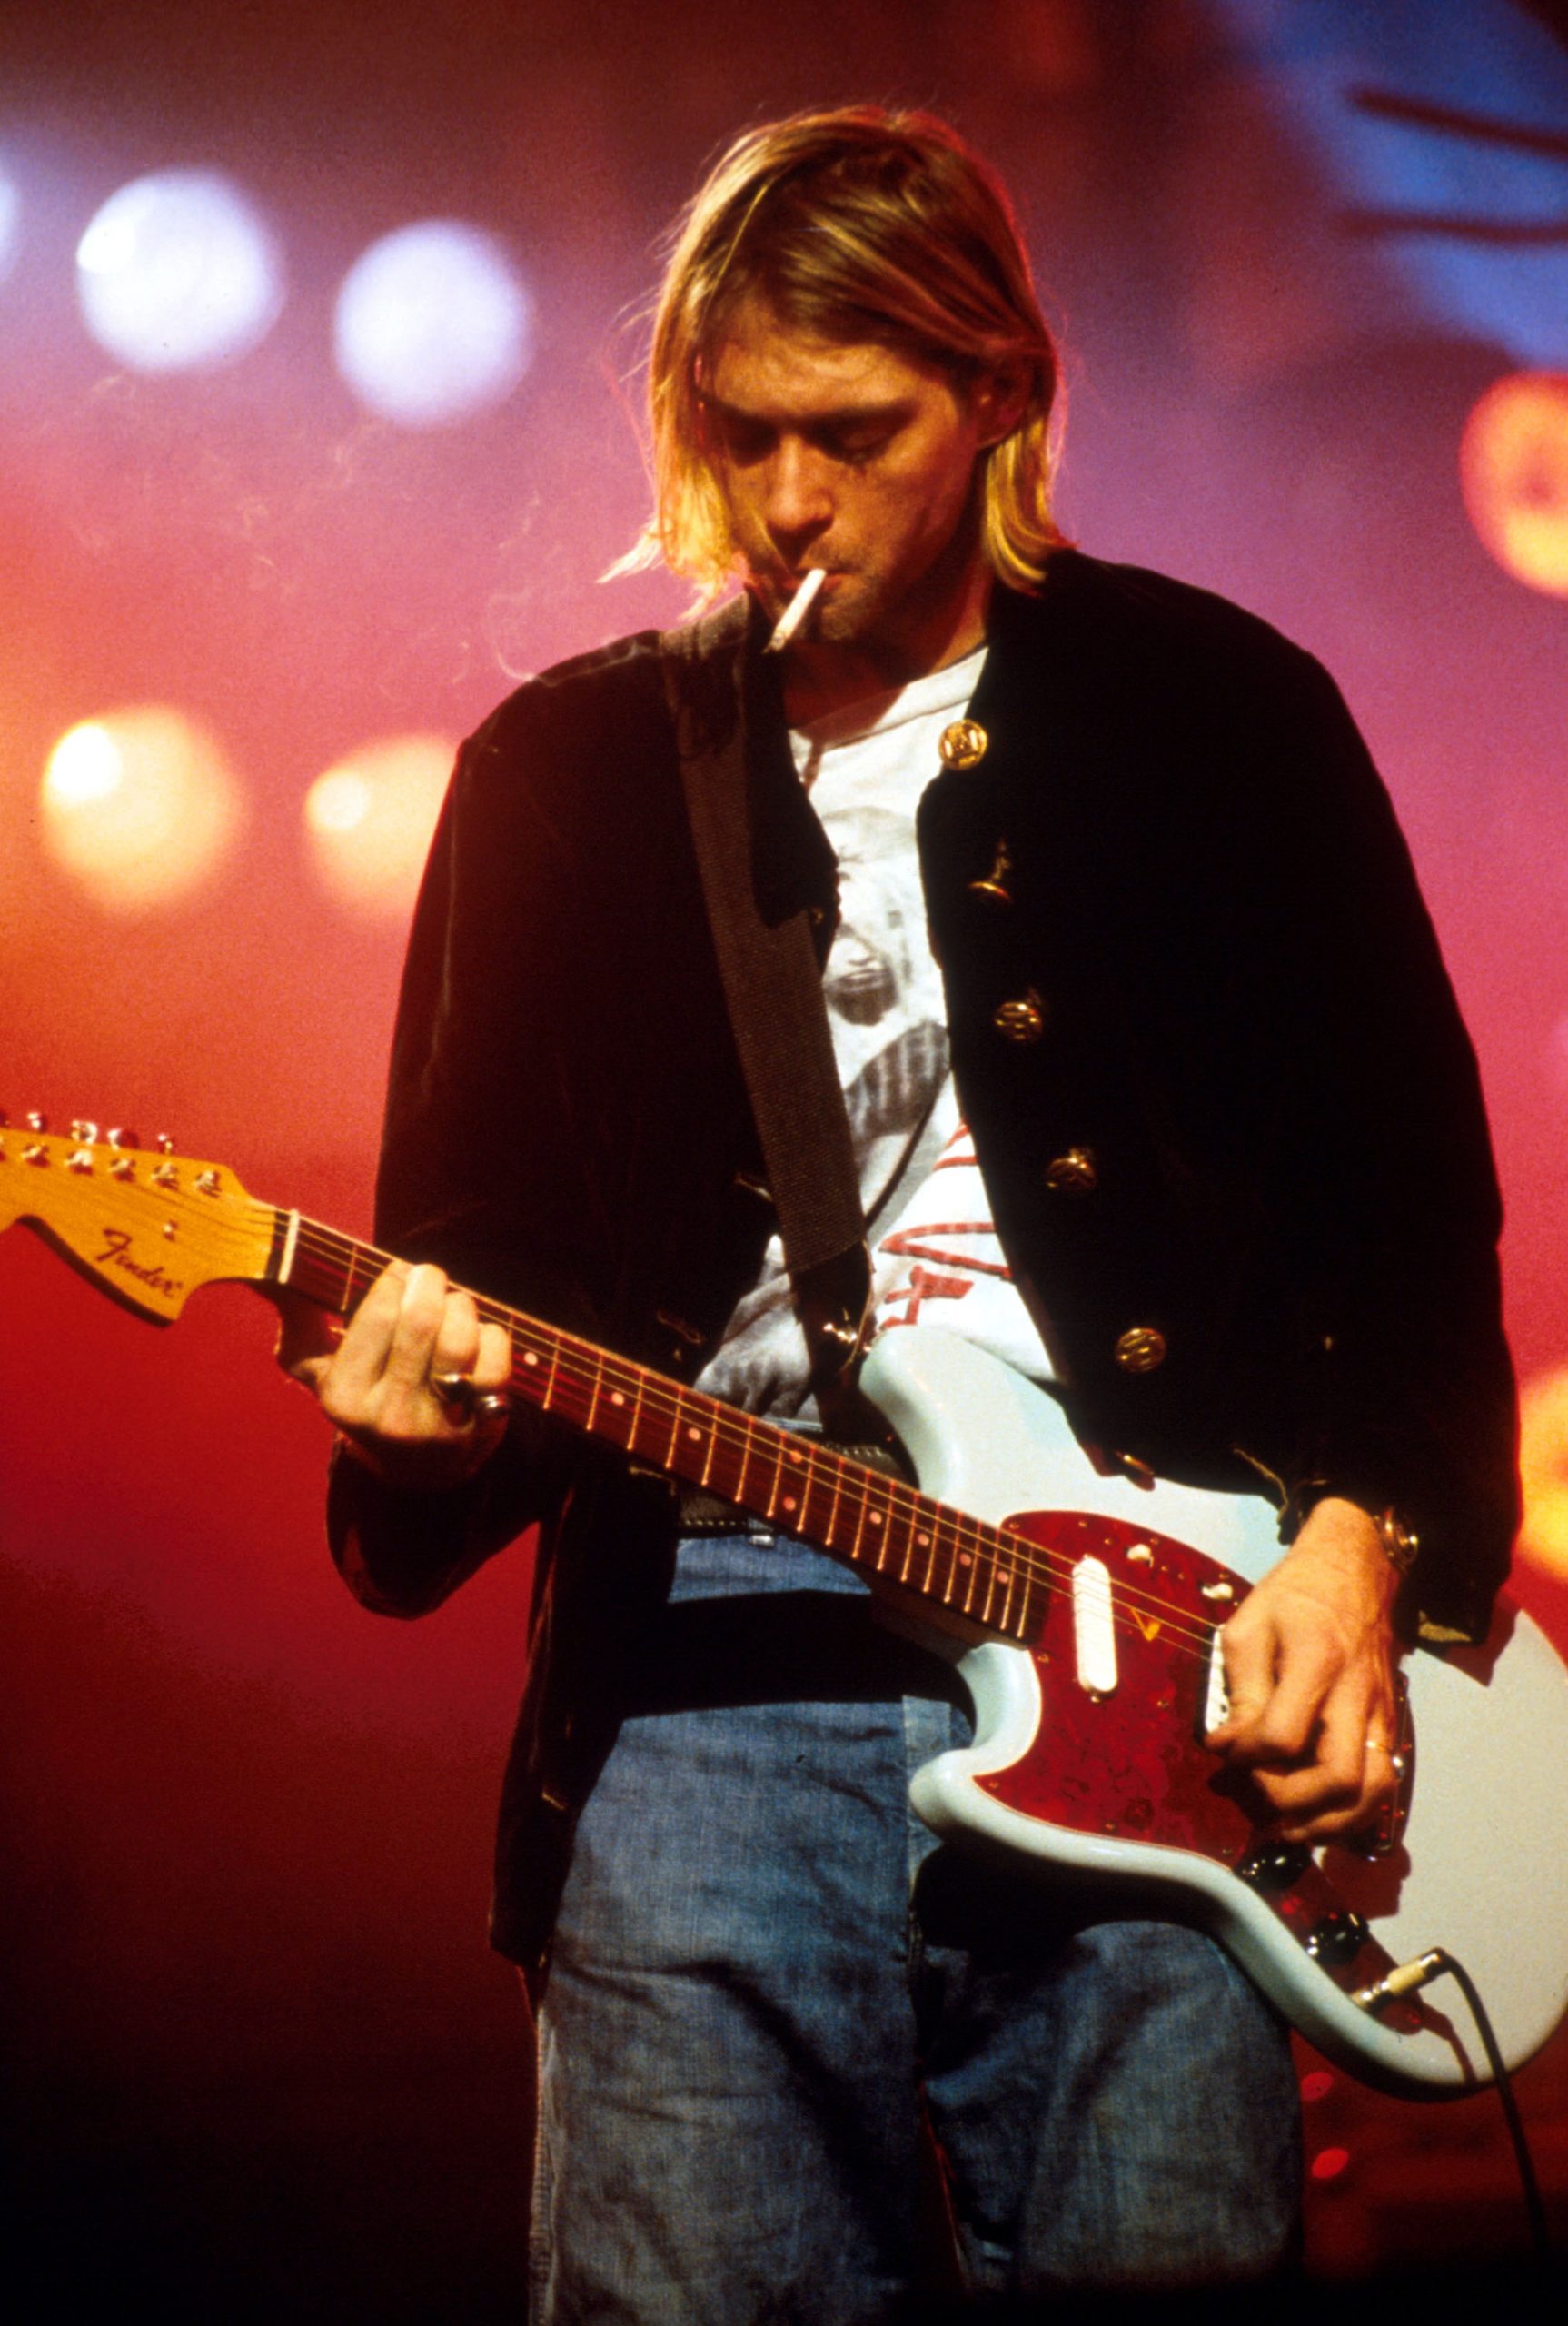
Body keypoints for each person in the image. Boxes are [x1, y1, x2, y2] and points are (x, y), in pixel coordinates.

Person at [279, 107, 1518, 2319]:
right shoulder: (564, 772)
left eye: (849, 436)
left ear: (999, 392)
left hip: (1162, 1649)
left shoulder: (1215, 716)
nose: (783, 499)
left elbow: (1405, 1206)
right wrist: (422, 1426)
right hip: (706, 1661)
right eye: (738, 433)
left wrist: (1354, 1543)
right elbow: (478, 1255)